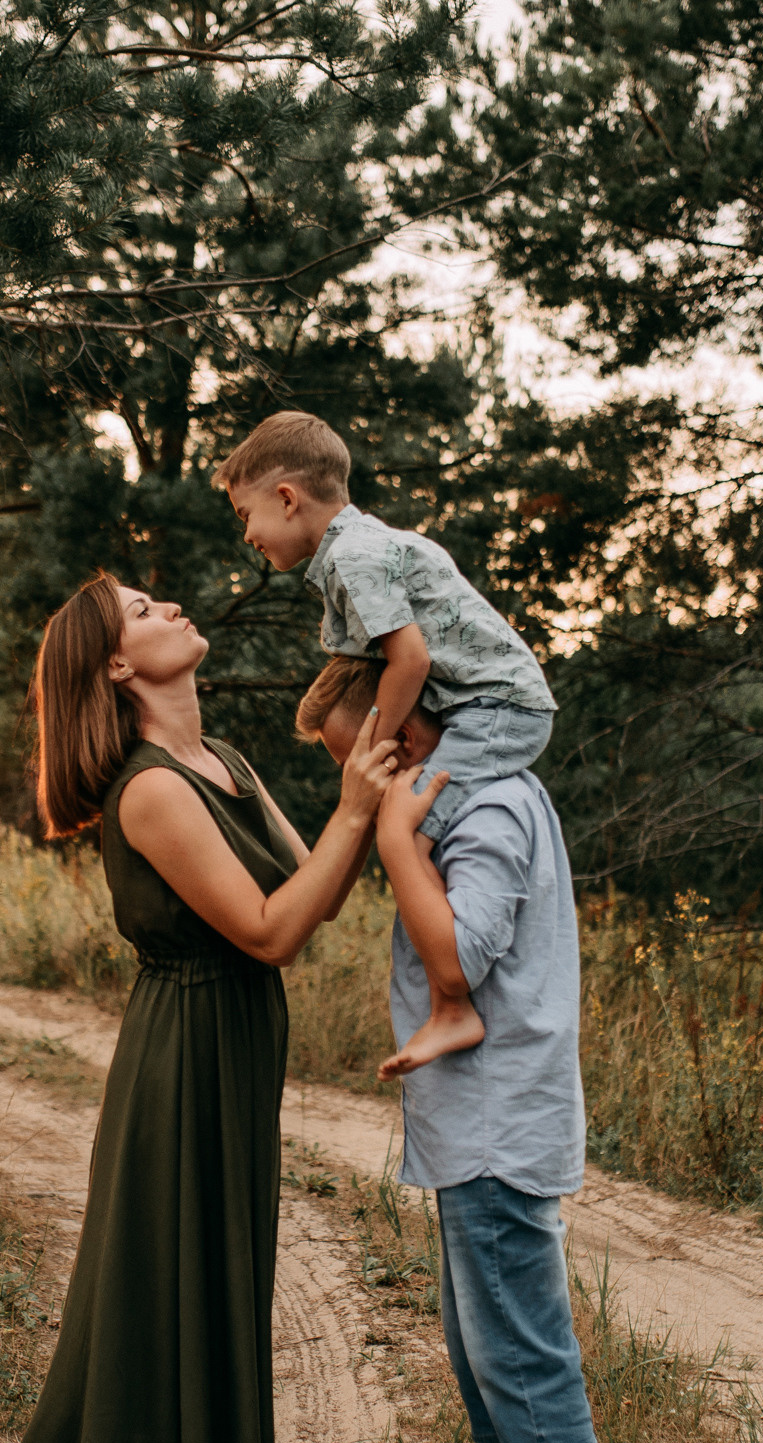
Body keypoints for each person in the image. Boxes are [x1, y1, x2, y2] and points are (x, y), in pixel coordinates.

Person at [14, 573, 403, 1443]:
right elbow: (273, 926)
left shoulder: (220, 762)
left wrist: (362, 795)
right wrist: (355, 809)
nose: (170, 608)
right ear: (116, 666)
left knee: (207, 1287)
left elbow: (310, 886)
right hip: (179, 1049)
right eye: (142, 612)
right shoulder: (147, 788)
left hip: (236, 1046)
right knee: (138, 1286)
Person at [304, 658, 598, 1443]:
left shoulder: (491, 808)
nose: (362, 787)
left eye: (363, 763)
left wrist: (390, 838)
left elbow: (460, 960)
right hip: (467, 1124)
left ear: (407, 741)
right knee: (477, 1346)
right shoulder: (465, 803)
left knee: (522, 1348)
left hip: (498, 1126)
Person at [217, 410, 557, 1078]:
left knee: (410, 824)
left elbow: (411, 664)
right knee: (407, 816)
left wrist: (370, 755)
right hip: (482, 706)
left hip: (498, 709)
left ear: (287, 498)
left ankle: (454, 1006)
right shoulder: (357, 551)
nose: (247, 533)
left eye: (243, 513)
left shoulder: (352, 556)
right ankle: (449, 1001)